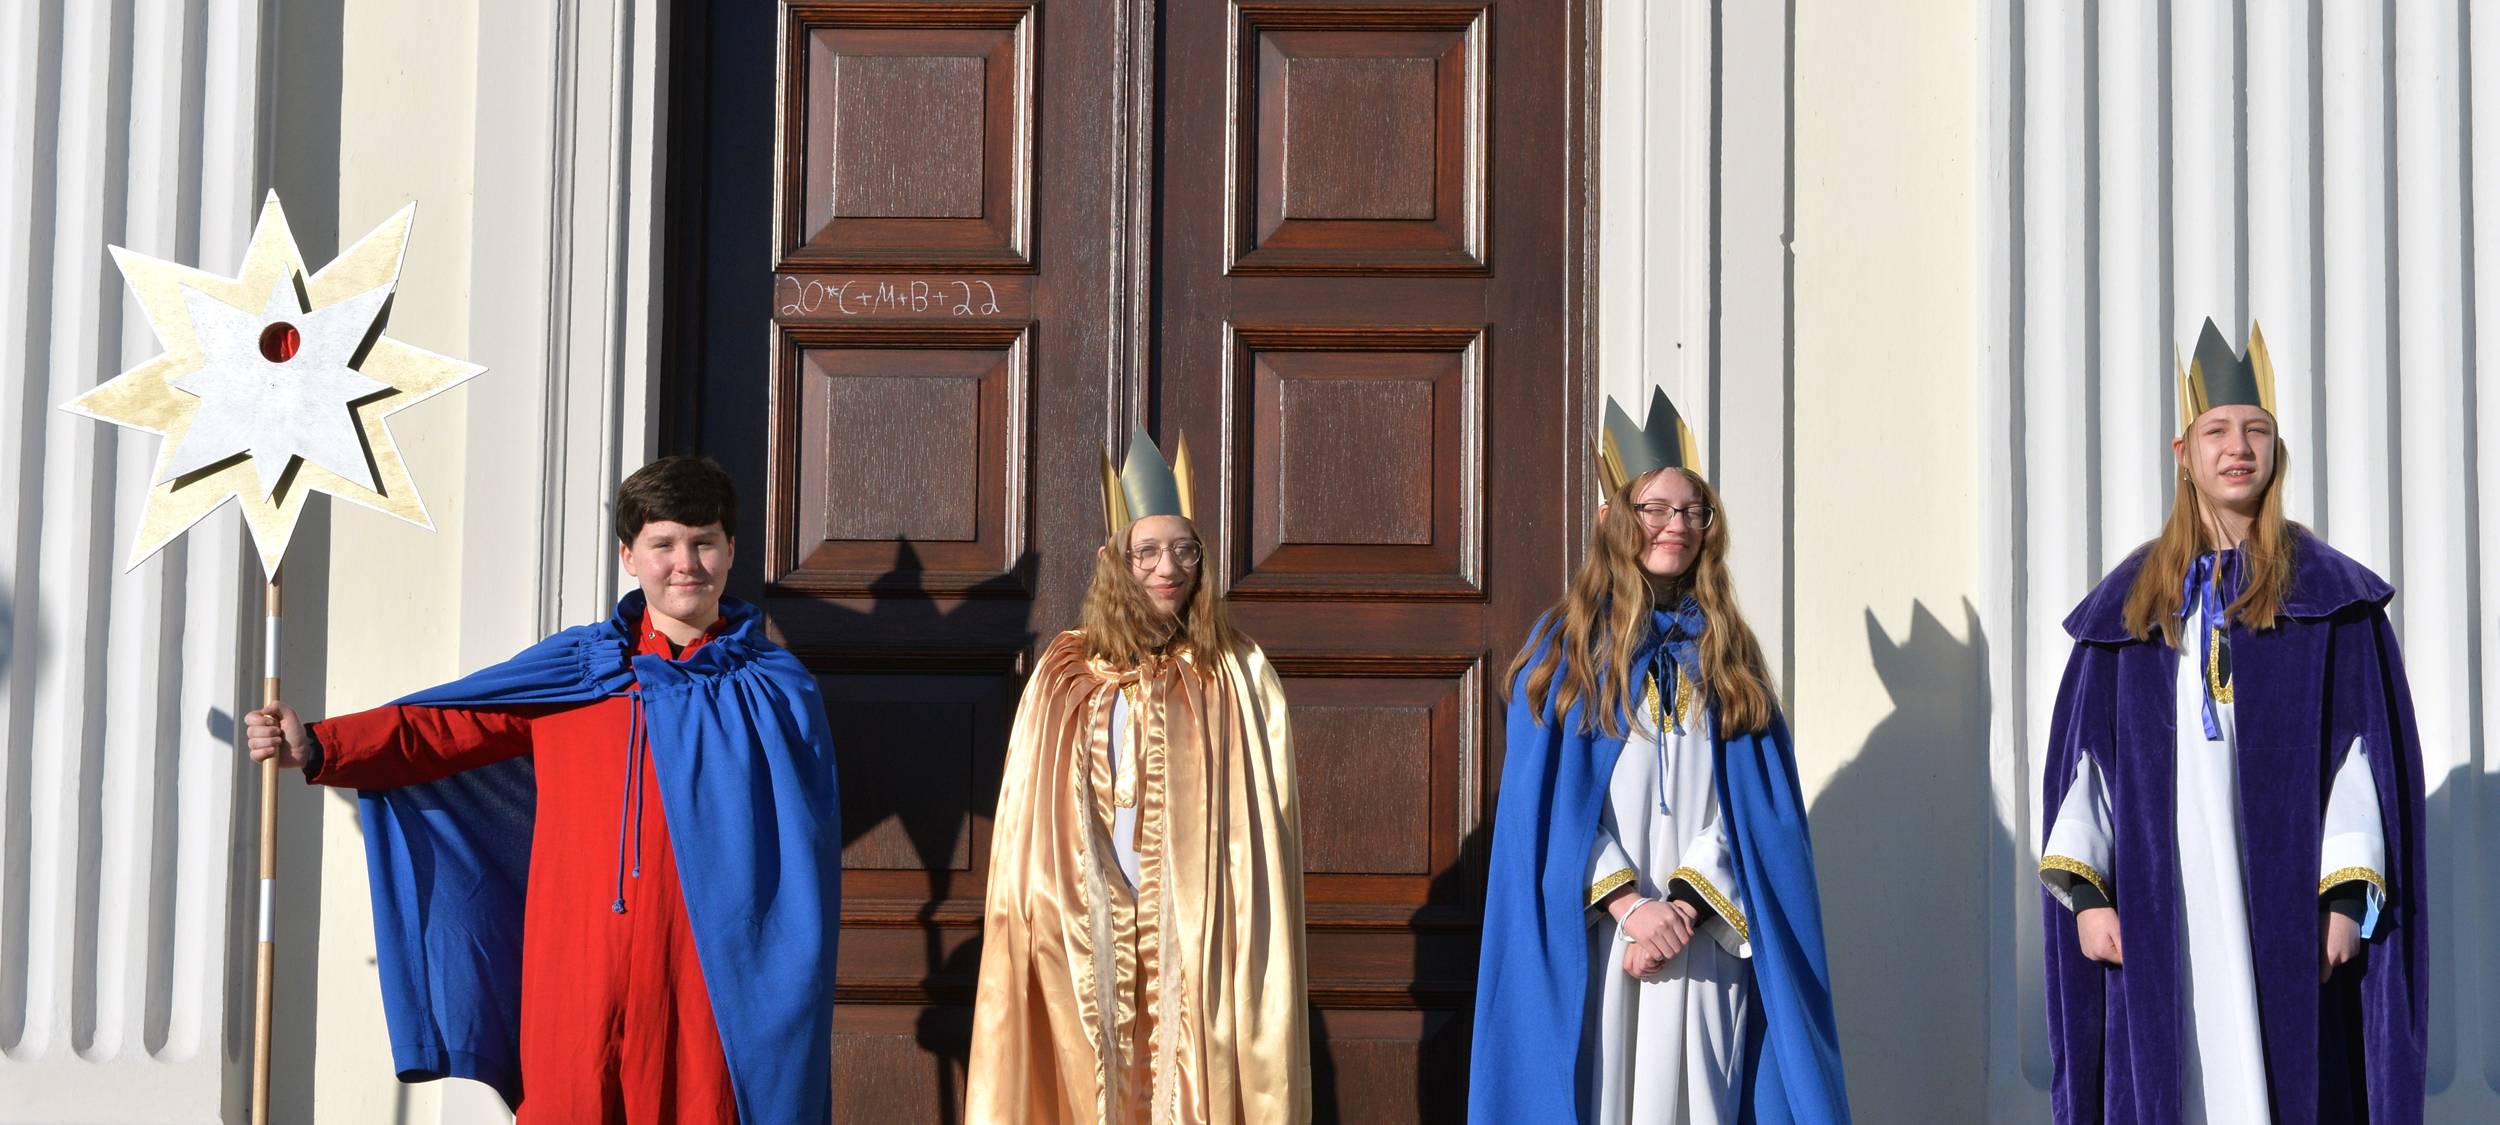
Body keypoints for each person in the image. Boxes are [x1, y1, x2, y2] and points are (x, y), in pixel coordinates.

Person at [245, 455, 842, 1122]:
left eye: (704, 541)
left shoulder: (773, 689)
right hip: (578, 961)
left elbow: (803, 846)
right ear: (628, 554)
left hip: (708, 971)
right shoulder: (581, 672)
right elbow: (444, 725)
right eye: (663, 544)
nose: (686, 563)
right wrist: (321, 745)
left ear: (730, 549)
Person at [2039, 320, 2427, 1123]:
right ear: (2184, 454)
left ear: (2276, 451)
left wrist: (2346, 902)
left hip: (2285, 909)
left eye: (2256, 430)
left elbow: (2363, 765)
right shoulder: (2133, 602)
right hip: (2165, 906)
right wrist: (2090, 900)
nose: (2238, 446)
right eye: (2218, 430)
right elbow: (2089, 773)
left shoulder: (2328, 599)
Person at [1470, 389, 1850, 1124]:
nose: (1675, 525)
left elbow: (1757, 819)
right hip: (1603, 944)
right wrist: (1632, 906)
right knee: (1600, 1097)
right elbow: (1542, 815)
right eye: (1656, 508)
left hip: (1705, 944)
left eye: (1690, 510)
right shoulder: (1565, 652)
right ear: (1614, 519)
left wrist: (1681, 907)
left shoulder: (1729, 655)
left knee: (1703, 1099)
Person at [966, 426, 1308, 1123]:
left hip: (1199, 929)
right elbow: (1030, 822)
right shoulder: (1064, 673)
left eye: (1184, 549)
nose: (1168, 568)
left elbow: (1262, 836)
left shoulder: (1235, 672)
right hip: (1083, 923)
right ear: (1113, 562)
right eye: (1147, 551)